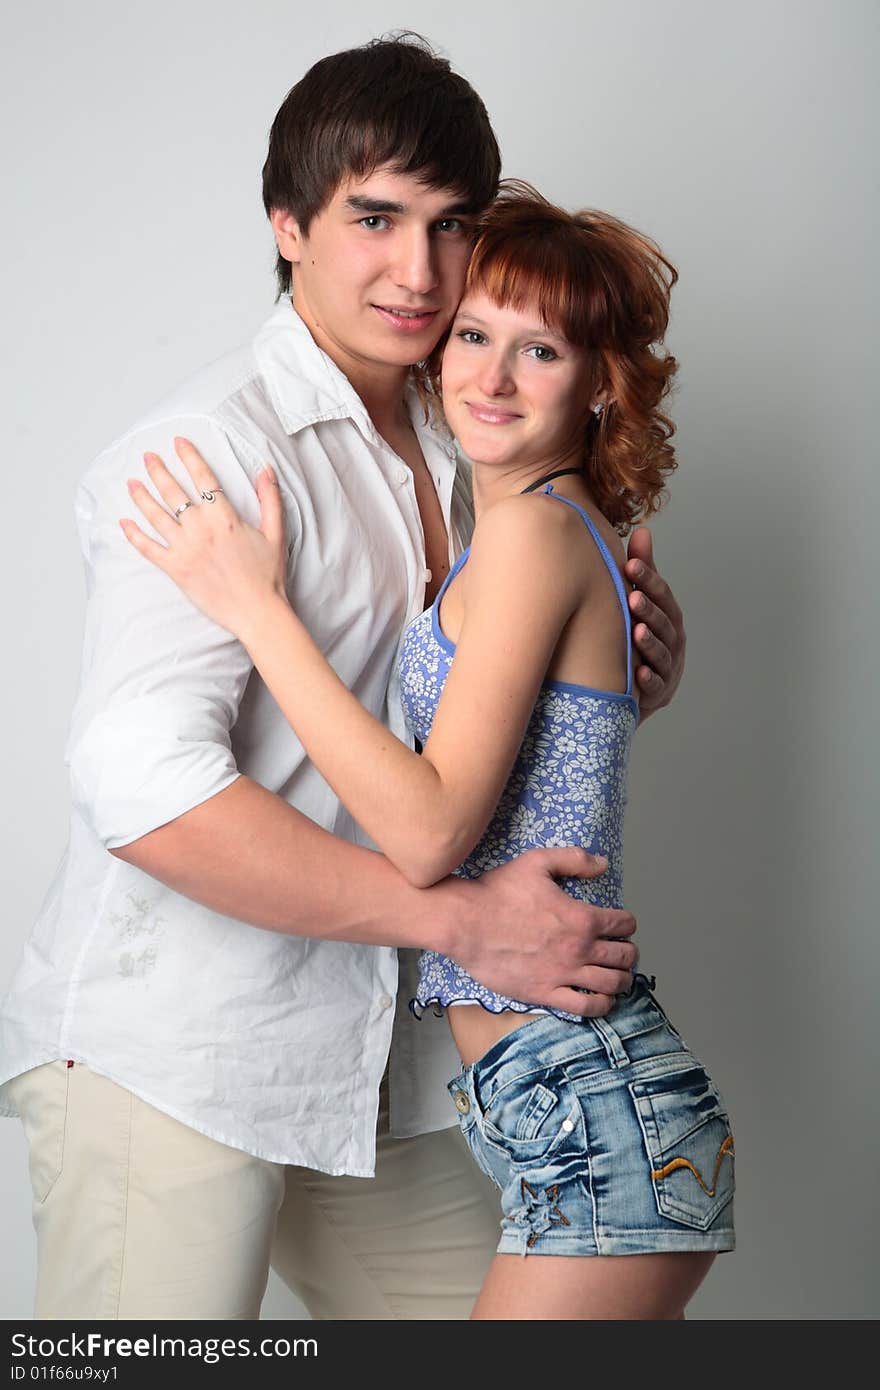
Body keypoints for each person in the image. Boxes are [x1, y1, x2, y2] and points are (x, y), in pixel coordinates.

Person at [0, 37, 686, 1321]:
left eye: (450, 226)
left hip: (380, 1065)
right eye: (374, 218)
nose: (419, 272)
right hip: (179, 1054)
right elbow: (142, 791)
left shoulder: (476, 420)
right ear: (289, 226)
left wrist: (615, 672)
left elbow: (473, 711)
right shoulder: (205, 453)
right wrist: (454, 922)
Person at [124, 185, 733, 1321]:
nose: (491, 378)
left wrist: (257, 610)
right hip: (558, 1099)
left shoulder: (536, 532)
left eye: (539, 350)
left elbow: (428, 828)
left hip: (591, 1102)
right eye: (473, 336)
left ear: (600, 384)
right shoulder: (525, 528)